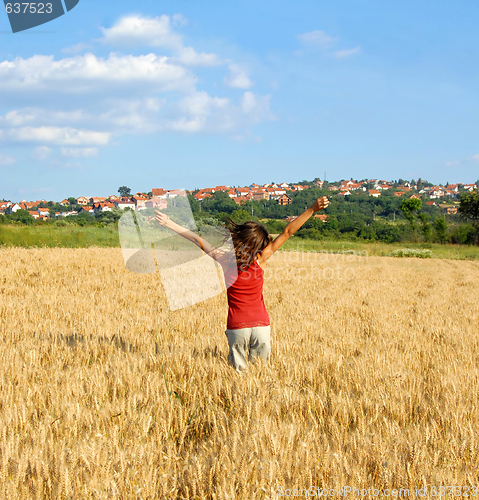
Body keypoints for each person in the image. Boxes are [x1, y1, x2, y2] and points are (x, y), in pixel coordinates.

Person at [154, 195, 329, 372]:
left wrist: (169, 223)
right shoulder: (261, 258)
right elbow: (287, 232)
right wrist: (312, 209)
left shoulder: (224, 258)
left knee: (238, 377)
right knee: (260, 375)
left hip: (237, 325)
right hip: (261, 325)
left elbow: (196, 239)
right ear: (260, 244)